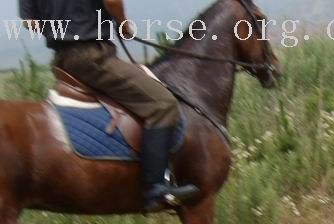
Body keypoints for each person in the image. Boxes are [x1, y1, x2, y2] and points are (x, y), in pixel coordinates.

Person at [19, 0, 199, 212]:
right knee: (163, 104)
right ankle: (155, 187)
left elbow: (29, 23)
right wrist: (123, 25)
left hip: (63, 59)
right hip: (93, 56)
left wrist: (62, 30)